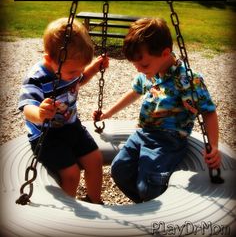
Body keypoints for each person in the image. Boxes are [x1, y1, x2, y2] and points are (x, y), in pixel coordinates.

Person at [93, 17, 221, 203]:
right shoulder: (151, 71)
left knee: (148, 185)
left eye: (143, 65)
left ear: (165, 53)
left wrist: (214, 146)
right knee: (118, 170)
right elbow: (134, 91)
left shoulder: (186, 80)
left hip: (168, 140)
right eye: (135, 65)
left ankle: (155, 205)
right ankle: (146, 205)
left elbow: (208, 112)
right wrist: (108, 113)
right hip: (143, 133)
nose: (139, 70)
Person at [19, 18, 109, 204]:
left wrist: (92, 69)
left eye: (80, 70)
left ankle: (94, 200)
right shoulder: (36, 78)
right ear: (49, 60)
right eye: (73, 72)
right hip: (46, 137)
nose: (77, 75)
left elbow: (78, 81)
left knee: (95, 159)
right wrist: (40, 113)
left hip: (72, 127)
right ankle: (69, 212)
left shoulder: (69, 69)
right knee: (71, 173)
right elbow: (27, 108)